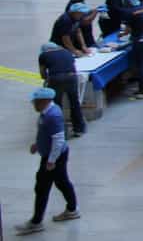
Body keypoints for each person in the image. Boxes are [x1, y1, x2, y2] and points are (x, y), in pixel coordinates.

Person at [16, 87, 80, 235]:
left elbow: (58, 140)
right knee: (62, 182)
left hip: (54, 157)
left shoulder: (53, 116)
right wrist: (37, 145)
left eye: (35, 102)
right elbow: (45, 133)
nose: (33, 105)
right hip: (54, 155)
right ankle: (72, 209)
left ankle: (36, 222)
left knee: (42, 187)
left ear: (44, 101)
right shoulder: (46, 113)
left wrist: (51, 160)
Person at [37, 42, 85, 138]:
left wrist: (47, 80)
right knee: (74, 103)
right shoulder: (66, 52)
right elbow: (73, 67)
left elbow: (42, 74)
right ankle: (79, 129)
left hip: (56, 79)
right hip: (71, 77)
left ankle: (60, 131)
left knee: (57, 106)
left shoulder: (43, 55)